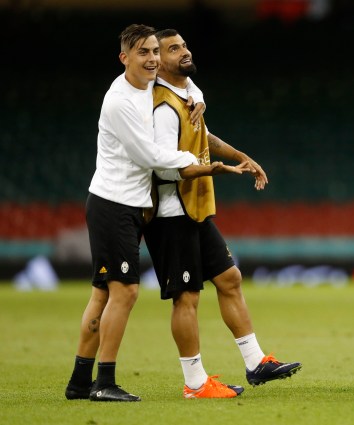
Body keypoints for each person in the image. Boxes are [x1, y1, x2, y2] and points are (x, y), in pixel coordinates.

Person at [64, 24, 235, 403]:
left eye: (156, 51)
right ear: (124, 57)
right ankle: (104, 381)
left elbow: (186, 85)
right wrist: (203, 163)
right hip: (114, 204)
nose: (153, 59)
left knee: (101, 296)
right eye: (143, 52)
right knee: (123, 292)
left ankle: (79, 382)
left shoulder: (148, 86)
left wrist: (197, 96)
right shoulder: (120, 101)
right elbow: (150, 156)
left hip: (127, 203)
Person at [142, 28, 301, 398]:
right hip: (170, 212)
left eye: (184, 44)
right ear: (157, 61)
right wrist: (214, 169)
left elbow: (204, 138)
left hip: (194, 208)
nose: (184, 51)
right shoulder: (163, 106)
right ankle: (195, 383)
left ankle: (256, 362)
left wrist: (240, 156)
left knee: (229, 278)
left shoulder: (188, 95)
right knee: (187, 297)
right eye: (173, 48)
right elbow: (165, 167)